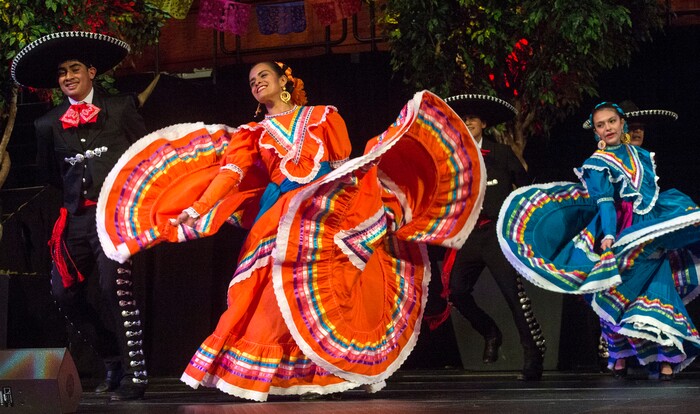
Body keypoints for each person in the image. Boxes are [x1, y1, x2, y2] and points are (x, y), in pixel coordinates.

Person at [95, 62, 486, 401]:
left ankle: (330, 369)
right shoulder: (252, 133)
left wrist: (355, 204)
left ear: (285, 80)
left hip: (319, 211)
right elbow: (232, 174)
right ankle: (268, 374)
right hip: (276, 215)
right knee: (266, 291)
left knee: (329, 287)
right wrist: (197, 206)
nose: (256, 82)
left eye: (263, 75)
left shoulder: (323, 116)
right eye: (250, 80)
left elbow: (339, 160)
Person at [498, 101, 700, 381]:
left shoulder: (641, 155)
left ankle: (666, 359)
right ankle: (619, 355)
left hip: (652, 229)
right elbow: (605, 204)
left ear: (622, 123)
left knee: (661, 290)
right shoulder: (597, 164)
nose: (607, 128)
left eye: (611, 122)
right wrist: (607, 235)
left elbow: (650, 194)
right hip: (622, 232)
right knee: (619, 294)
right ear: (596, 132)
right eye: (601, 125)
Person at [10, 32, 149, 399]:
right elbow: (50, 174)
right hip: (75, 219)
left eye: (74, 69)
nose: (67, 76)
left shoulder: (120, 108)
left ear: (91, 72)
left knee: (112, 287)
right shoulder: (47, 124)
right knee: (63, 293)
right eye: (61, 72)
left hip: (115, 217)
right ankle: (112, 358)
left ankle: (136, 375)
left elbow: (148, 157)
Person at [438, 94, 546, 380]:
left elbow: (524, 190)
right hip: (470, 235)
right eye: (464, 118)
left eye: (473, 118)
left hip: (498, 233)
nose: (468, 122)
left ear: (483, 124)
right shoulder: (453, 159)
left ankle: (532, 356)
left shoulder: (501, 152)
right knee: (456, 292)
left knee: (513, 295)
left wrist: (519, 223)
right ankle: (490, 332)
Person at [583, 100, 678, 147]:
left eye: (641, 127)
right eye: (632, 127)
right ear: (621, 126)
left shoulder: (646, 159)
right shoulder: (602, 163)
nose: (638, 131)